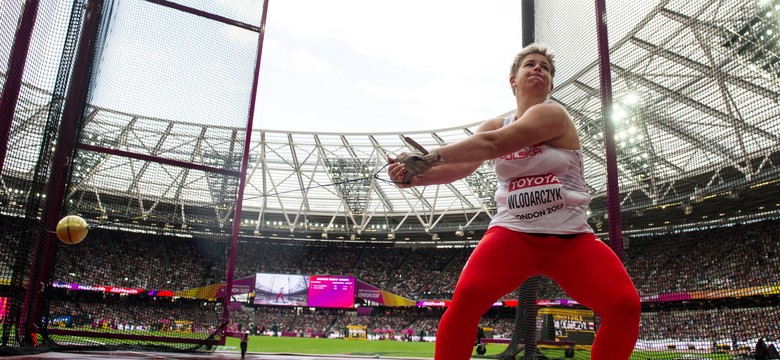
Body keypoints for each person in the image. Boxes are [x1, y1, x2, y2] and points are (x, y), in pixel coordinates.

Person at [387, 43, 641, 360]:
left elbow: (493, 145)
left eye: (545, 68)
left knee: (624, 306)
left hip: (570, 239)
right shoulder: (496, 123)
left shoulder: (553, 114)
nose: (538, 69)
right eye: (530, 65)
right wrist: (411, 177)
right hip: (512, 235)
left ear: (550, 84)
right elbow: (462, 167)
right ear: (513, 80)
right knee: (465, 301)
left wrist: (431, 156)